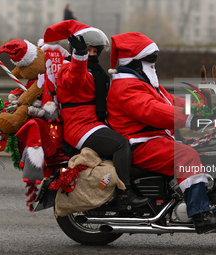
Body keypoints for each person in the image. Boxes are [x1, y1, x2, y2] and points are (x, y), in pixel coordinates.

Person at [106, 32, 216, 234]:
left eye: (155, 58)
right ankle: (200, 215)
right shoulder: (126, 86)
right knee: (187, 156)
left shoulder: (143, 83)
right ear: (134, 62)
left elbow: (171, 102)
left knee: (203, 147)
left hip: (155, 138)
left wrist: (204, 108)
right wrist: (189, 119)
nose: (154, 64)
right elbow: (152, 110)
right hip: (140, 143)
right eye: (150, 59)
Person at [41, 21, 149, 208]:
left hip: (94, 122)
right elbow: (76, 81)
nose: (91, 54)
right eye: (87, 51)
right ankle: (125, 193)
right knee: (120, 145)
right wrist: (79, 56)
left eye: (93, 51)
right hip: (80, 126)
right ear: (76, 50)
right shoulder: (69, 68)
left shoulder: (96, 70)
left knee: (135, 140)